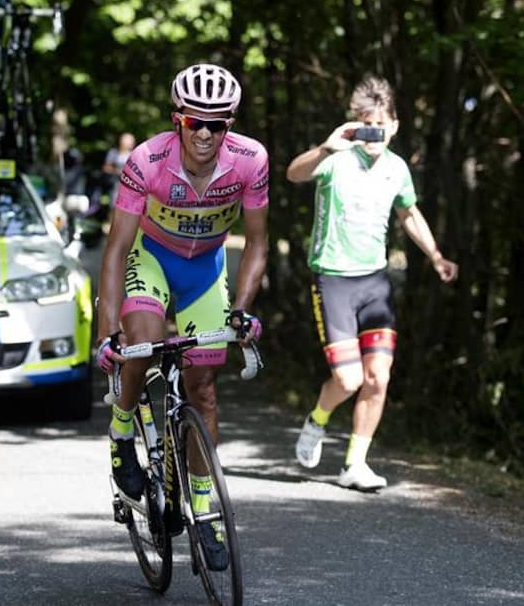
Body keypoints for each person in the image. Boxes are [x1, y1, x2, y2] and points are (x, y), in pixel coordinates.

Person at [96, 63, 269, 570]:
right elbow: (116, 248)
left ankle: (202, 508)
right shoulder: (147, 160)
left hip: (204, 271)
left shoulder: (250, 160)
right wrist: (109, 331)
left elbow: (257, 243)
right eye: (197, 123)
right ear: (179, 120)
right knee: (142, 343)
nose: (207, 134)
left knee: (205, 389)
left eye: (219, 124)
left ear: (230, 124)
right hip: (150, 259)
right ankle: (122, 430)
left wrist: (241, 311)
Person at [286, 74, 459, 491]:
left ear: (395, 126)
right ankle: (318, 419)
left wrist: (435, 255)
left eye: (381, 124)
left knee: (378, 377)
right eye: (366, 124)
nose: (374, 133)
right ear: (355, 124)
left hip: (375, 284)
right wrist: (327, 146)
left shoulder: (398, 169)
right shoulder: (336, 158)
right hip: (333, 281)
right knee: (348, 379)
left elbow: (409, 214)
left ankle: (355, 465)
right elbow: (294, 174)